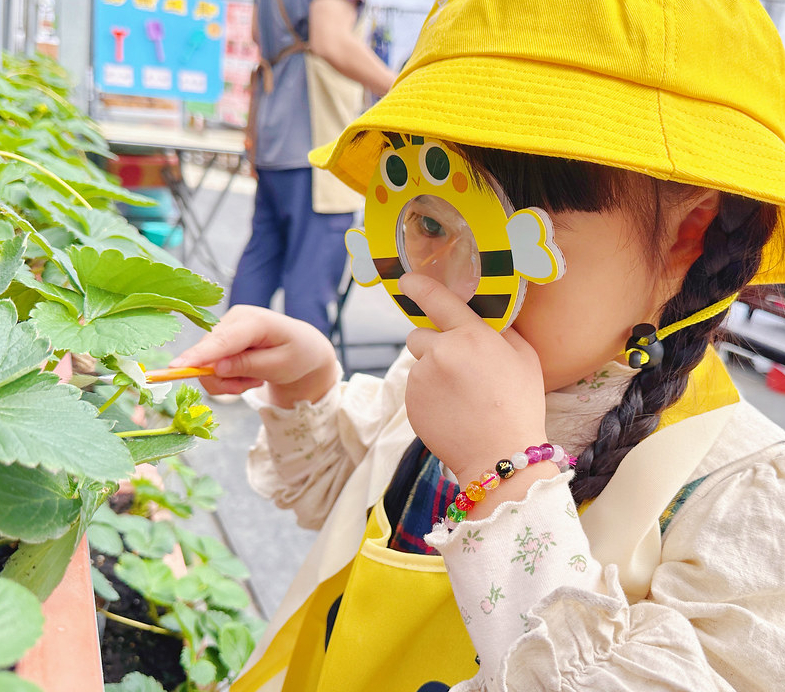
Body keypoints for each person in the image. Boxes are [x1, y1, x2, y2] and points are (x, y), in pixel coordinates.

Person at [171, 0, 785, 689]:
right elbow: (344, 502)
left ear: (687, 236)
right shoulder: (435, 377)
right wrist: (306, 380)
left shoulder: (735, 499)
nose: (443, 282)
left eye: (502, 240)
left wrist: (508, 479)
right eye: (429, 223)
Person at [230, 0, 396, 336]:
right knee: (310, 276)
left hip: (274, 135)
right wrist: (401, 88)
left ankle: (226, 367)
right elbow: (329, 39)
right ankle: (302, 385)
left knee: (262, 257)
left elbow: (256, 33)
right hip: (316, 141)